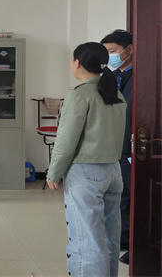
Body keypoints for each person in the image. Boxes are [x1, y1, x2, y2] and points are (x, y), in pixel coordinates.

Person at [46, 42, 126, 277]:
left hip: (86, 172)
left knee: (86, 241)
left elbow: (66, 139)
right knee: (110, 238)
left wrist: (54, 172)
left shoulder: (79, 94)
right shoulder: (115, 92)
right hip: (113, 170)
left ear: (77, 63)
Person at [100, 29, 133, 264]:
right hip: (115, 144)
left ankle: (136, 242)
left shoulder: (141, 75)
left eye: (113, 51)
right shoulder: (113, 76)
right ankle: (123, 237)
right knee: (120, 194)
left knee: (134, 193)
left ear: (129, 49)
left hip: (134, 145)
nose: (110, 57)